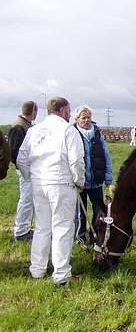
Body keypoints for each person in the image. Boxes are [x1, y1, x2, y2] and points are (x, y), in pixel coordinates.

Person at [16, 96, 84, 285]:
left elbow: (21, 158)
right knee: (62, 227)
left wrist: (32, 177)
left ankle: (37, 269)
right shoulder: (68, 130)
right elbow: (77, 160)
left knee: (42, 227)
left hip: (39, 183)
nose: (70, 114)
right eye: (69, 111)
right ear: (62, 110)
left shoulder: (34, 130)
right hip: (61, 183)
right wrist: (80, 181)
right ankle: (61, 274)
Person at [73, 105, 113, 244]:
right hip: (80, 181)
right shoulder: (72, 133)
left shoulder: (97, 133)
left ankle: (95, 234)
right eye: (83, 118)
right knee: (80, 213)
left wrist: (108, 178)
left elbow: (106, 155)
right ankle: (80, 237)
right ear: (77, 119)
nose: (86, 120)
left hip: (96, 180)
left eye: (88, 117)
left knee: (98, 211)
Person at [8, 101, 38, 240]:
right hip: (24, 169)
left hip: (27, 168)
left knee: (28, 200)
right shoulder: (19, 126)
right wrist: (24, 169)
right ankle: (21, 231)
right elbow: (15, 153)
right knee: (26, 200)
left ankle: (24, 227)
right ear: (34, 112)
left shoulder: (23, 125)